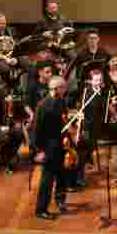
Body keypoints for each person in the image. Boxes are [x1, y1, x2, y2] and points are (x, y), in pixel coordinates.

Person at [34, 75, 69, 219]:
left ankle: (60, 200)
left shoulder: (60, 101)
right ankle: (41, 210)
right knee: (47, 180)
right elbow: (37, 130)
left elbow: (63, 118)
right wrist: (40, 150)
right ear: (57, 89)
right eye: (63, 88)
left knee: (62, 174)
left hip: (61, 143)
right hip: (49, 147)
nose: (65, 91)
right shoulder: (43, 105)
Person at [70, 65, 106, 189]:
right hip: (87, 127)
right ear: (91, 81)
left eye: (100, 80)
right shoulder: (87, 93)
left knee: (86, 149)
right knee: (83, 150)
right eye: (95, 80)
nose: (98, 82)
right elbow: (81, 109)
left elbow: (103, 110)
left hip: (97, 127)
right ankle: (79, 176)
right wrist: (80, 114)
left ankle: (83, 168)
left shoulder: (103, 92)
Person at [24, 59, 53, 155]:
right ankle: (38, 150)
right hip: (36, 117)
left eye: (50, 72)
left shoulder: (51, 85)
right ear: (40, 72)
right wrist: (32, 115)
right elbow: (26, 105)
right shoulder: (33, 86)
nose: (50, 74)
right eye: (47, 72)